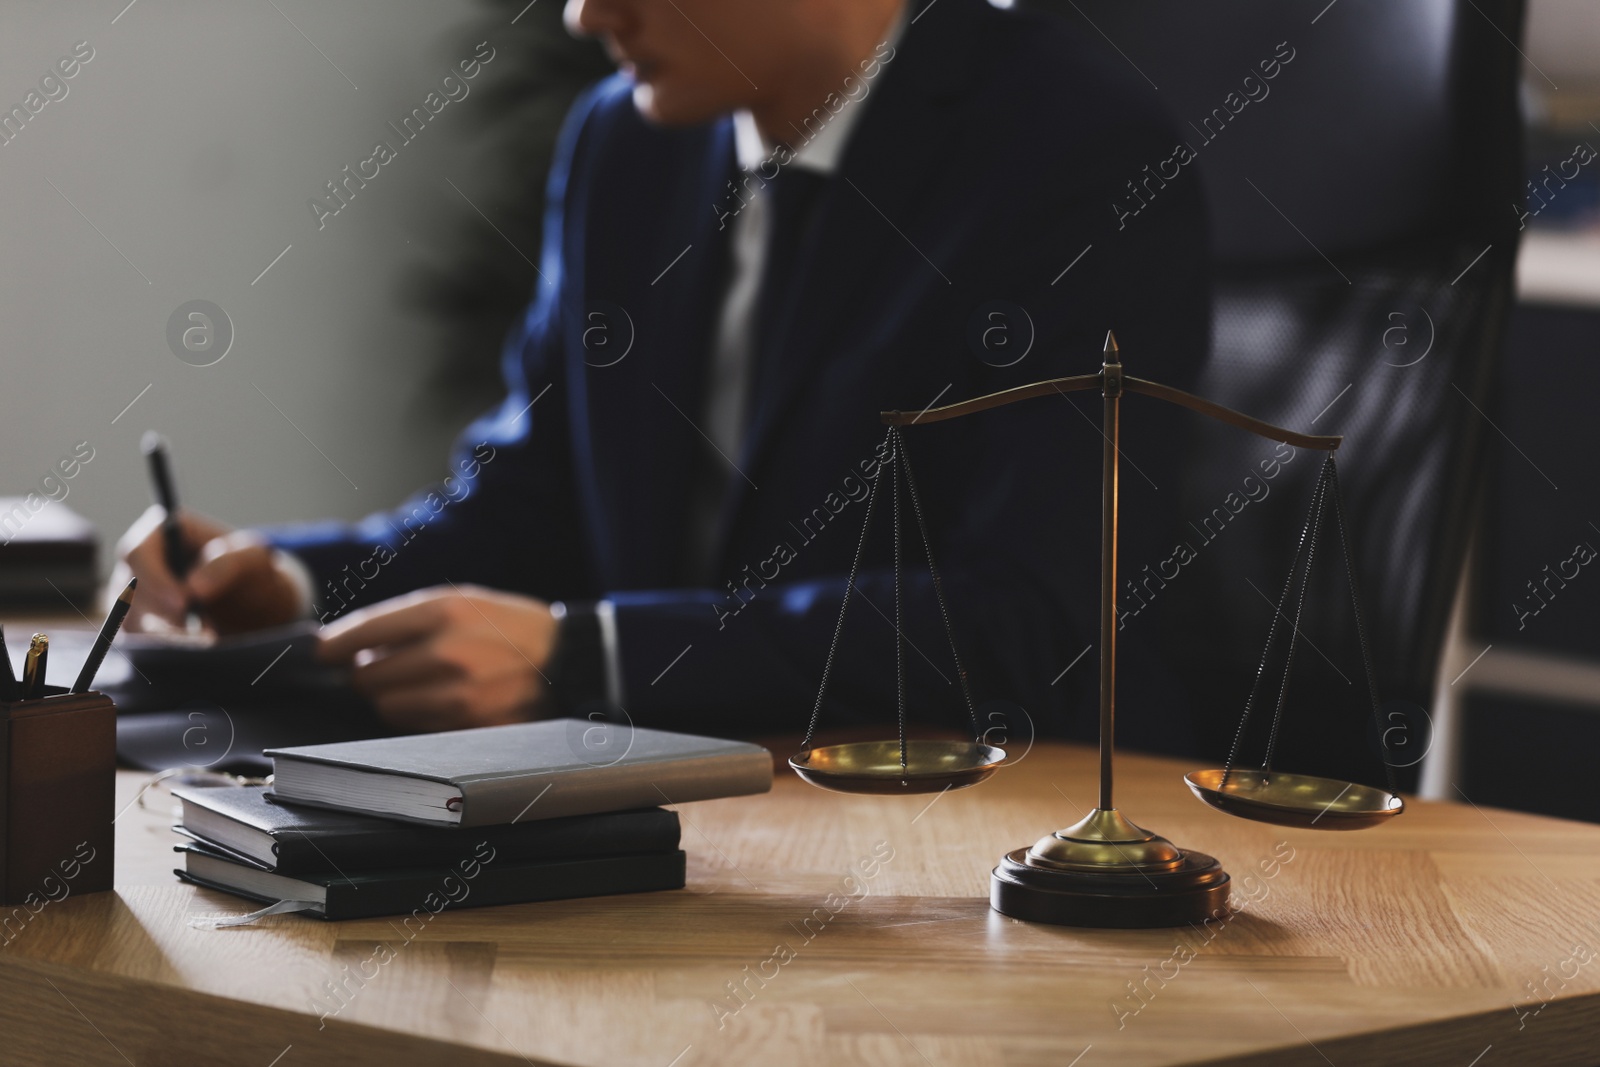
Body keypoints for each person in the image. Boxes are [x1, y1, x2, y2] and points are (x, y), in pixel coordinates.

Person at [114, 0, 1210, 749]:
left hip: (968, 841)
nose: (584, 16)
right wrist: (292, 586)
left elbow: (1032, 622)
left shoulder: (1076, 151)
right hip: (686, 810)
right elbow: (528, 505)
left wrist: (592, 656)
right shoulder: (621, 146)